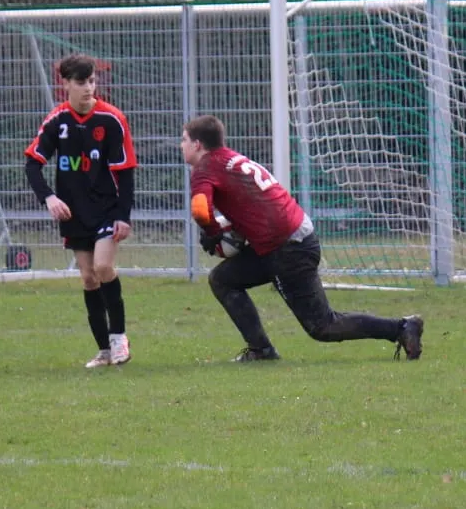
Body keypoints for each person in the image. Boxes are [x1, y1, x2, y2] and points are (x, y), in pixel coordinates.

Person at [180, 114, 423, 362]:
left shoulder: (205, 168)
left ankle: (401, 327)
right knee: (222, 279)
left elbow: (200, 210)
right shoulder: (230, 158)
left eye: (184, 139)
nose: (182, 145)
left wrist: (212, 231)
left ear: (197, 145)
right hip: (289, 238)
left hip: (288, 248)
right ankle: (261, 350)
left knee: (323, 326)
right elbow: (255, 205)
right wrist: (233, 227)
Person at [26, 55, 137, 368]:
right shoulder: (57, 120)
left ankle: (119, 339)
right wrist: (49, 198)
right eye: (81, 82)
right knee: (88, 278)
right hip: (74, 212)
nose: (89, 88)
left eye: (92, 81)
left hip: (106, 208)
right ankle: (104, 351)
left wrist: (123, 216)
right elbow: (32, 164)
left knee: (103, 267)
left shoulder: (111, 119)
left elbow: (126, 171)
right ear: (65, 84)